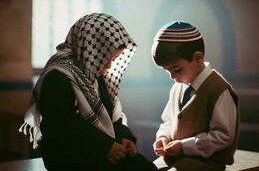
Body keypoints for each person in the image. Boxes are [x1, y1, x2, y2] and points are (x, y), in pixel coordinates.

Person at [19, 13, 158, 171]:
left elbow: (111, 117)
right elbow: (62, 127)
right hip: (69, 156)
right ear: (93, 49)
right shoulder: (57, 77)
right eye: (107, 58)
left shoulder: (95, 77)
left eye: (114, 59)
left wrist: (124, 137)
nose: (110, 66)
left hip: (100, 149)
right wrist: (105, 147)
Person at [151, 21, 239, 171]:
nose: (172, 76)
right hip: (176, 159)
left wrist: (184, 147)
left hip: (207, 163)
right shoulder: (177, 87)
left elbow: (222, 136)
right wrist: (163, 137)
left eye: (177, 69)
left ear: (198, 58)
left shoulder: (218, 89)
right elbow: (168, 121)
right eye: (167, 71)